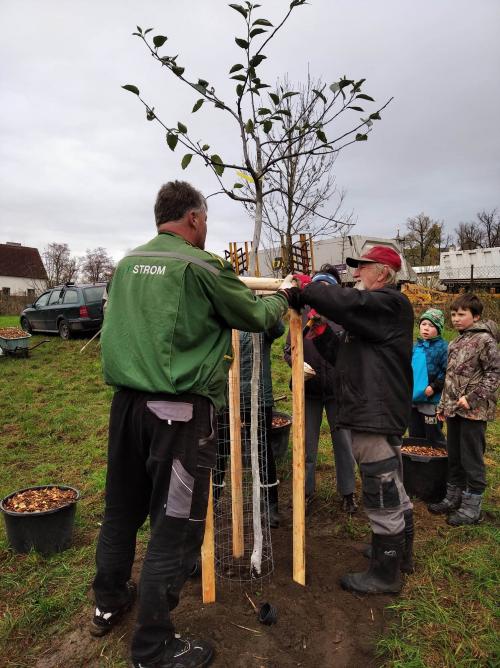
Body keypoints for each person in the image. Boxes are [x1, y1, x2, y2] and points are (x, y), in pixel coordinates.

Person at [90, 180, 289, 668]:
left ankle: (108, 601)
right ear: (195, 219)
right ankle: (153, 647)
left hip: (126, 408)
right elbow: (255, 314)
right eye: (207, 221)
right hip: (177, 414)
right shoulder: (202, 265)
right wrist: (284, 297)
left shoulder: (127, 264)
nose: (206, 229)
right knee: (174, 527)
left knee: (120, 511)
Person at [281, 245, 414, 594]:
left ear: (383, 272)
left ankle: (386, 573)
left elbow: (349, 303)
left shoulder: (390, 304)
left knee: (380, 485)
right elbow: (345, 357)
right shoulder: (376, 317)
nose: (355, 273)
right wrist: (323, 333)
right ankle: (399, 552)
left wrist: (308, 287)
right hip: (374, 407)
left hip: (376, 411)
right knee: (390, 481)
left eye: (362, 267)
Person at [283, 265, 357, 513]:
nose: (322, 292)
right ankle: (305, 491)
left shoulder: (344, 317)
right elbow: (288, 349)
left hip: (339, 391)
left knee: (344, 444)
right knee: (306, 444)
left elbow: (351, 353)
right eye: (319, 287)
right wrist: (297, 363)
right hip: (309, 390)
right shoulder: (301, 314)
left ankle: (348, 493)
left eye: (327, 288)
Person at [429, 293, 499, 526]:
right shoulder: (456, 341)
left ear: (476, 316)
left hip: (473, 412)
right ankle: (454, 497)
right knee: (455, 455)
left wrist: (473, 398)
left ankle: (472, 507)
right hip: (454, 410)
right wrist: (442, 406)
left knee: (471, 458)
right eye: (453, 314)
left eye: (462, 314)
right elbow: (450, 378)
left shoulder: (485, 341)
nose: (456, 319)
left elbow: (494, 373)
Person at [213, 322, 285, 528]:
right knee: (220, 450)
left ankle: (270, 506)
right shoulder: (225, 317)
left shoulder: (259, 318)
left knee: (263, 450)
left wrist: (266, 307)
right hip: (226, 397)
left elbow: (278, 330)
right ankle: (214, 498)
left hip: (259, 396)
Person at [409, 308, 448, 447]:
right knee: (414, 432)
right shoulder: (415, 346)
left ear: (439, 329)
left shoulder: (443, 348)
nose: (426, 328)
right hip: (413, 398)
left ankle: (437, 458)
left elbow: (446, 371)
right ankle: (416, 460)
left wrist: (434, 386)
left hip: (431, 399)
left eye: (431, 326)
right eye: (424, 324)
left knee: (432, 431)